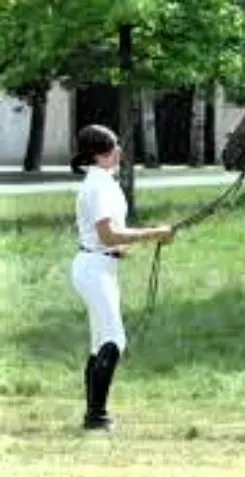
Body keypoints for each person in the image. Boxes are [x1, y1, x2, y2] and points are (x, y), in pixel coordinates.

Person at [69, 124, 174, 430]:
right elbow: (108, 234)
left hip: (100, 266)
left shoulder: (103, 182)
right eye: (114, 146)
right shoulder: (99, 185)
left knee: (99, 341)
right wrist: (154, 233)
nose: (120, 151)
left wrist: (136, 242)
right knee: (114, 338)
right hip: (94, 267)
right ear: (101, 153)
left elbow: (111, 237)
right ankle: (97, 417)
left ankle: (94, 413)